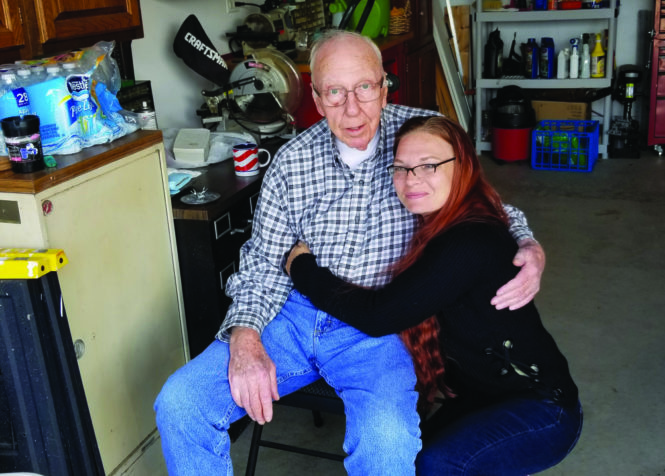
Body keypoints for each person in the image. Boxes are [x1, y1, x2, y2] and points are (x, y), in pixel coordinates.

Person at [154, 30, 546, 476]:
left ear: (384, 85)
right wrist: (245, 336)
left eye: (364, 87)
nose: (353, 108)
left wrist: (527, 243)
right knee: (181, 403)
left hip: (380, 324)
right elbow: (264, 259)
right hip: (293, 315)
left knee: (387, 440)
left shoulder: (423, 137)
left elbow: (483, 205)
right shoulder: (292, 160)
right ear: (317, 100)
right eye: (335, 93)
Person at [284, 115, 581, 476]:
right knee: (407, 458)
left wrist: (301, 267)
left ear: (463, 166)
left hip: (544, 410)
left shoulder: (468, 240)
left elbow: (378, 316)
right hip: (481, 398)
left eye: (429, 165)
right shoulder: (439, 218)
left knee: (438, 465)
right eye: (402, 168)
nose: (412, 180)